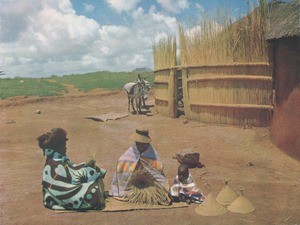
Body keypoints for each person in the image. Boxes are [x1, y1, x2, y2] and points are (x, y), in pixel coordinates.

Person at [37, 128, 107, 210]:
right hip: (63, 194)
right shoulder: (55, 164)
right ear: (58, 146)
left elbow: (71, 169)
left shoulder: (55, 159)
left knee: (94, 177)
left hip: (58, 194)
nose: (66, 146)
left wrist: (85, 166)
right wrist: (88, 168)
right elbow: (74, 176)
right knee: (95, 187)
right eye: (64, 144)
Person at [110, 127, 170, 202]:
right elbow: (122, 174)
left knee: (160, 194)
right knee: (127, 194)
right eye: (138, 144)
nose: (141, 147)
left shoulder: (152, 154)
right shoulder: (127, 156)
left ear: (147, 143)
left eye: (144, 144)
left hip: (149, 183)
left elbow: (157, 172)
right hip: (131, 183)